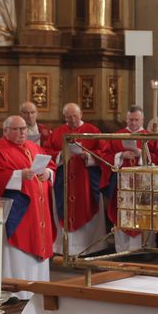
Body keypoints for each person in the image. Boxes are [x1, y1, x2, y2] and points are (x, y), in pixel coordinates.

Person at [0, 116, 56, 298]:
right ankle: (16, 293)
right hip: (19, 212)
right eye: (16, 129)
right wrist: (18, 176)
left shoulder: (33, 147)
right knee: (16, 253)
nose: (22, 132)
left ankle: (38, 288)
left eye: (24, 129)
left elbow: (51, 166)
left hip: (39, 211)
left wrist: (47, 173)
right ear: (5, 131)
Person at [102, 105, 158, 254]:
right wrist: (121, 156)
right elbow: (104, 157)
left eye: (136, 120)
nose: (133, 123)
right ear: (126, 119)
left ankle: (144, 249)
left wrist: (141, 154)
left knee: (144, 215)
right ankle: (123, 250)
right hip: (122, 185)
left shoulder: (150, 137)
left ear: (142, 119)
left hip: (144, 185)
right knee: (122, 214)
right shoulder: (117, 136)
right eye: (131, 120)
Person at [47, 102, 107, 256]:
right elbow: (46, 151)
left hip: (85, 180)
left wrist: (88, 156)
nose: (72, 120)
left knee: (85, 206)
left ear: (81, 115)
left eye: (74, 116)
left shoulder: (93, 131)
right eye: (68, 118)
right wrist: (61, 155)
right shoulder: (58, 132)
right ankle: (64, 248)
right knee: (64, 210)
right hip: (64, 180)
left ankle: (89, 248)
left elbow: (104, 152)